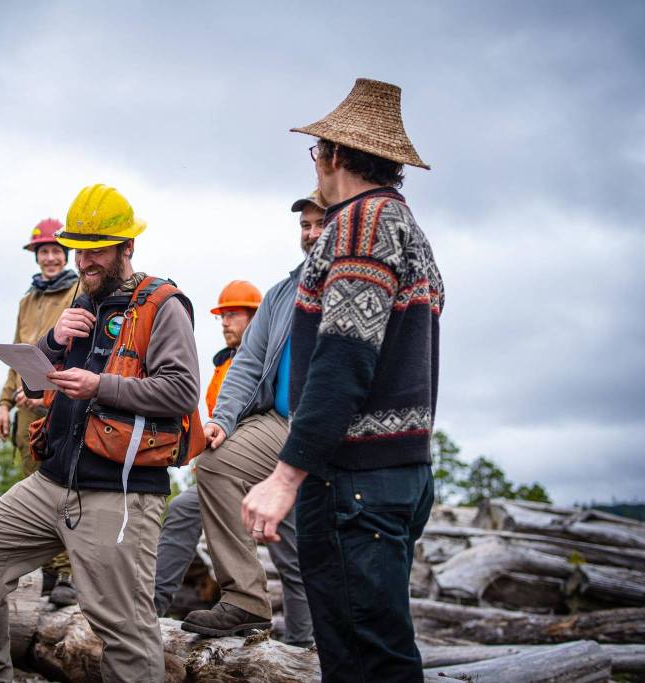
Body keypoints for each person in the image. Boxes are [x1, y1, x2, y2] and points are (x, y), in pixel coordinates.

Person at [0, 184, 201, 682]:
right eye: (79, 250)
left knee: (124, 627)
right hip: (52, 483)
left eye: (97, 251)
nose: (84, 262)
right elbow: (35, 382)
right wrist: (50, 341)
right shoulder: (79, 303)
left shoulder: (163, 304)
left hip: (120, 493)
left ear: (127, 247)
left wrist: (99, 386)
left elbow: (181, 391)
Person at [242, 78, 443, 682]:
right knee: (372, 651)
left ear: (331, 154)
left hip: (356, 479)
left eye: (317, 152)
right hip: (397, 473)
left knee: (364, 661)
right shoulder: (407, 228)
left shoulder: (360, 223)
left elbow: (344, 357)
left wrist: (284, 475)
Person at [177, 192, 325, 646]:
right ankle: (245, 600)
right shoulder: (283, 294)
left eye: (321, 223)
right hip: (280, 422)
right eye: (305, 226)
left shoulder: (356, 279)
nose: (313, 233)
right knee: (216, 464)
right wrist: (222, 420)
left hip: (334, 424)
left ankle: (312, 641)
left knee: (305, 549)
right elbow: (247, 364)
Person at [0, 218, 80, 606]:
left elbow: (77, 351)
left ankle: (67, 573)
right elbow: (17, 352)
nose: (49, 258)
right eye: (43, 251)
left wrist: (46, 395)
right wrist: (5, 403)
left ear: (65, 254)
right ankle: (44, 571)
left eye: (55, 251)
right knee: (33, 486)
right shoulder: (27, 300)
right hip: (26, 412)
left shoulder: (77, 291)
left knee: (63, 485)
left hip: (61, 405)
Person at [205, 280, 261, 417]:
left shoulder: (268, 362)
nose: (224, 323)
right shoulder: (222, 364)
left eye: (231, 314)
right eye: (222, 316)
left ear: (254, 317)